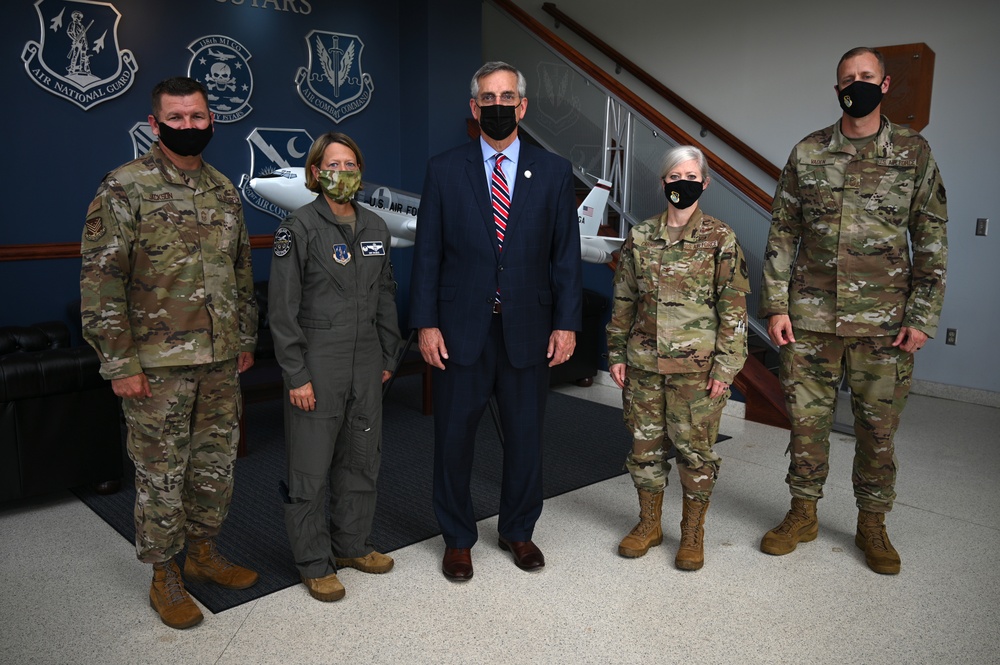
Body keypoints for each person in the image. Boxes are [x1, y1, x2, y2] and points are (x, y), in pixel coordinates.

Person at [759, 47, 948, 575]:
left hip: (885, 324)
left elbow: (931, 236)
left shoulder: (913, 152)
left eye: (866, 77)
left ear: (885, 86)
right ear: (836, 87)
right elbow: (783, 233)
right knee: (806, 424)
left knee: (878, 430)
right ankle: (802, 512)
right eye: (847, 78)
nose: (856, 84)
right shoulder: (808, 152)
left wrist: (923, 315)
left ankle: (872, 523)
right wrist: (775, 304)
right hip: (811, 320)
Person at [80, 77, 259, 630]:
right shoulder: (124, 188)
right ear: (155, 124)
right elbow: (100, 282)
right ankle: (164, 575)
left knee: (214, 464)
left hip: (220, 361)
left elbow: (240, 274)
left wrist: (244, 341)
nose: (189, 127)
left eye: (198, 117)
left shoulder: (225, 190)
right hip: (156, 369)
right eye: (176, 119)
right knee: (161, 474)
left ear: (212, 120)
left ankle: (202, 554)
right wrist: (120, 363)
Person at [409, 61, 583, 580]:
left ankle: (519, 530)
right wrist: (426, 323)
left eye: (508, 96)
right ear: (474, 107)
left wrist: (567, 323)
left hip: (529, 330)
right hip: (460, 330)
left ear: (523, 106)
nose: (499, 105)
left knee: (526, 438)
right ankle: (458, 538)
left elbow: (565, 257)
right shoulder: (444, 168)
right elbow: (428, 254)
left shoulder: (554, 171)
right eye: (488, 97)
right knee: (454, 440)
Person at [269, 132, 402, 602]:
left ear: (360, 172)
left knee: (362, 461)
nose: (341, 173)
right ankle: (313, 561)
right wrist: (296, 374)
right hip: (318, 365)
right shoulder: (298, 229)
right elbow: (282, 312)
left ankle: (351, 545)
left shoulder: (375, 226)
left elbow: (386, 294)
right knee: (310, 468)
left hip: (367, 363)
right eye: (333, 165)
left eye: (350, 164)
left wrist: (390, 355)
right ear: (315, 173)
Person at [606, 145, 749, 571]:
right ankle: (650, 524)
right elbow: (624, 300)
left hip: (698, 371)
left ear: (704, 184)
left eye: (690, 177)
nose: (681, 184)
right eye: (674, 177)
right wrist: (616, 351)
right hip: (644, 365)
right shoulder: (641, 236)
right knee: (645, 449)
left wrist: (726, 368)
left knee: (695, 453)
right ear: (663, 183)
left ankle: (692, 532)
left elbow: (734, 308)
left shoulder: (720, 238)